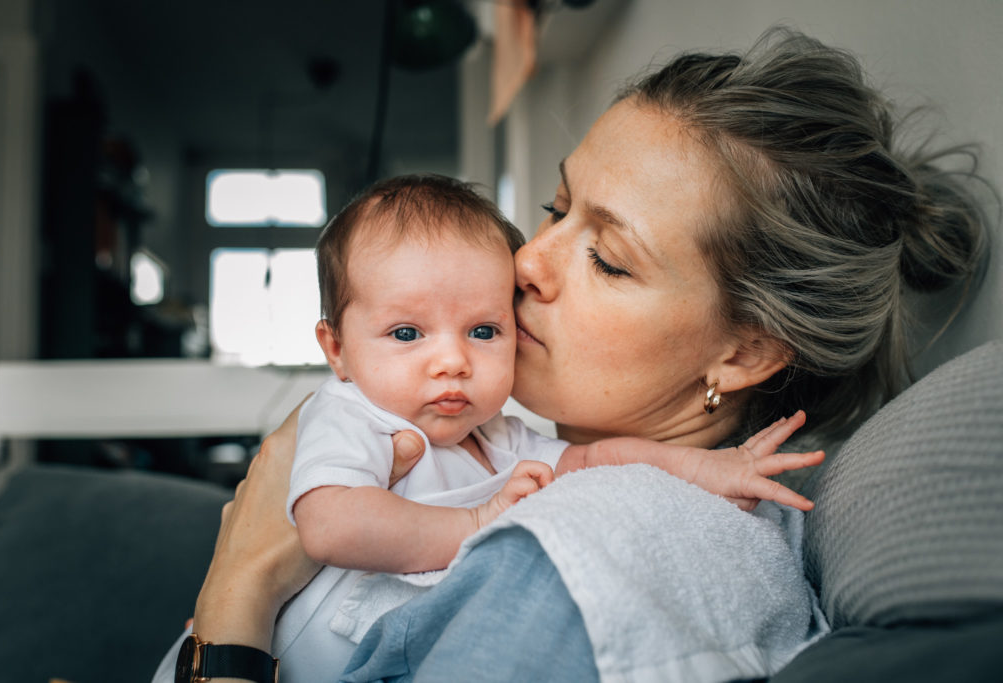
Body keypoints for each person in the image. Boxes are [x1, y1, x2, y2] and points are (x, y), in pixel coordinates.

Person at [172, 27, 990, 683]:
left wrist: (236, 598)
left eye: (606, 257)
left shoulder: (575, 561)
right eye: (554, 209)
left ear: (745, 352)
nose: (526, 261)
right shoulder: (561, 469)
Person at [156, 173, 823, 682]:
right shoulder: (349, 413)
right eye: (407, 332)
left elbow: (595, 463)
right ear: (337, 350)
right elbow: (330, 524)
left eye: (482, 329)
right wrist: (472, 528)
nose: (451, 359)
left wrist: (709, 469)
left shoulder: (503, 436)